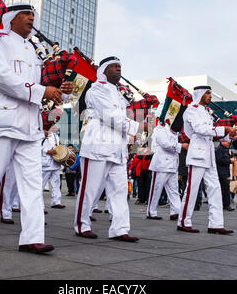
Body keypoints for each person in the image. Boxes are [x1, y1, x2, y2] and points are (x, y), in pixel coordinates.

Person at [0, 4, 72, 253]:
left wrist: (61, 89)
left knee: (31, 184)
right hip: (2, 122)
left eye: (33, 15)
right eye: (25, 14)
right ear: (11, 18)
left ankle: (32, 237)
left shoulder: (35, 50)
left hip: (30, 125)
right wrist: (42, 90)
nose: (31, 18)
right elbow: (2, 78)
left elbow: (45, 85)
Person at [74, 56, 140, 242]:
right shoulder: (96, 90)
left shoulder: (119, 93)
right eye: (113, 66)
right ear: (103, 70)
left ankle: (120, 229)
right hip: (98, 144)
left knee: (119, 191)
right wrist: (137, 127)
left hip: (117, 149)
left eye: (120, 66)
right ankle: (82, 224)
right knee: (90, 189)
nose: (118, 69)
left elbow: (124, 114)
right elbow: (110, 116)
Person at [177, 86, 237, 235]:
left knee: (215, 189)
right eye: (208, 93)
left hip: (209, 154)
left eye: (210, 93)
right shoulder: (192, 110)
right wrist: (224, 129)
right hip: (197, 153)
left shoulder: (205, 112)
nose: (210, 96)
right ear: (200, 95)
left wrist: (229, 135)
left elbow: (211, 133)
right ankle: (183, 221)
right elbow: (199, 129)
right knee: (192, 189)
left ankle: (215, 224)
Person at [147, 121, 189, 221]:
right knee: (156, 189)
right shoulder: (160, 129)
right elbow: (165, 144)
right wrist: (180, 146)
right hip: (161, 164)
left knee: (174, 189)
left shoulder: (175, 131)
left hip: (173, 165)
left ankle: (176, 211)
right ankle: (151, 211)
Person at [41, 127, 66, 209]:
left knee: (56, 183)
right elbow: (36, 146)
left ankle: (56, 202)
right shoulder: (42, 132)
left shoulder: (56, 135)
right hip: (46, 162)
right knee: (41, 184)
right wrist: (47, 151)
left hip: (55, 163)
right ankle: (38, 205)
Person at [215, 141, 235, 211]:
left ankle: (224, 204)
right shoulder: (220, 149)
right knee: (225, 188)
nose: (229, 143)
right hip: (222, 172)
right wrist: (229, 160)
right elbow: (219, 160)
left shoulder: (223, 148)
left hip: (224, 171)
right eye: (227, 141)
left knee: (225, 188)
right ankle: (226, 204)